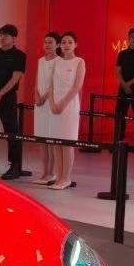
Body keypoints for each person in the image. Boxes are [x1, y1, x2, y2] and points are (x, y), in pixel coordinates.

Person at [0, 24, 27, 180]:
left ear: (13, 38)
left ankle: (14, 166)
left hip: (7, 98)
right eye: (1, 35)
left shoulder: (20, 56)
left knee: (12, 132)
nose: (2, 38)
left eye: (6, 35)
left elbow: (15, 79)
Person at [48, 30, 84, 189]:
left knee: (67, 143)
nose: (66, 45)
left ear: (75, 45)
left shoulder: (79, 62)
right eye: (63, 42)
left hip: (69, 106)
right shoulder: (56, 62)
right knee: (56, 142)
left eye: (70, 42)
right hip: (54, 106)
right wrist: (52, 103)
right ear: (60, 45)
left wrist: (62, 104)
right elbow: (51, 85)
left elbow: (77, 87)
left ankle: (66, 178)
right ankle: (58, 177)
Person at [33, 31, 61, 184]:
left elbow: (55, 83)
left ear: (57, 45)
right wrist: (36, 96)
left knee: (51, 140)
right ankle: (44, 172)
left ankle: (53, 173)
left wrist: (44, 97)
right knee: (42, 139)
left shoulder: (59, 61)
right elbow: (37, 80)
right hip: (40, 105)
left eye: (51, 42)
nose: (48, 45)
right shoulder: (40, 61)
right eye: (46, 42)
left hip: (50, 103)